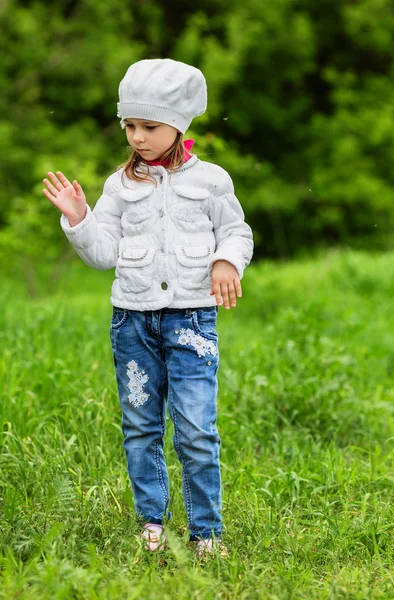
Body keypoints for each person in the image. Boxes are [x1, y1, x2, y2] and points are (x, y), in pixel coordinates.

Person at [42, 58, 253, 556]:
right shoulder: (120, 186)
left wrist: (227, 262)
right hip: (133, 323)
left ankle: (206, 532)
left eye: (149, 126)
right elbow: (103, 254)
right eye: (130, 125)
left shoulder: (212, 181)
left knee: (197, 429)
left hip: (191, 323)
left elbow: (236, 232)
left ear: (179, 124)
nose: (137, 136)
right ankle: (151, 522)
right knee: (141, 425)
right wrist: (79, 221)